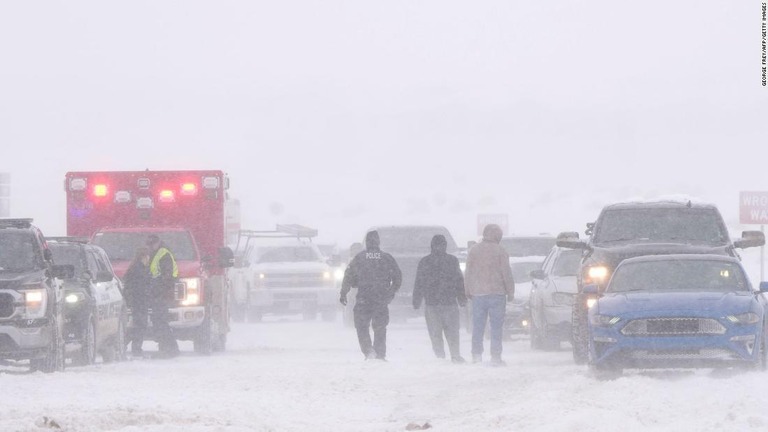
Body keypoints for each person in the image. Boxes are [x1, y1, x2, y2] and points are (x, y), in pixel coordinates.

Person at [340, 231, 402, 360]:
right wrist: (390, 293)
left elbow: (348, 276)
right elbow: (398, 277)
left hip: (364, 298)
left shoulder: (359, 258)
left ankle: (368, 352)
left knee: (361, 326)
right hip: (381, 299)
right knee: (380, 327)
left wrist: (343, 292)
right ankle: (380, 354)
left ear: (367, 242)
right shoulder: (386, 257)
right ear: (378, 242)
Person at [464, 224, 514, 366]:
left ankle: (476, 355)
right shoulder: (501, 251)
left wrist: (467, 289)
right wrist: (510, 291)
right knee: (496, 327)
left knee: (478, 326)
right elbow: (506, 273)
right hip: (497, 294)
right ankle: (496, 356)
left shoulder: (474, 250)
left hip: (478, 294)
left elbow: (468, 272)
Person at [413, 234, 467, 363]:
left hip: (432, 303)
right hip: (449, 302)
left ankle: (440, 357)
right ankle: (454, 355)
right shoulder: (452, 260)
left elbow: (419, 282)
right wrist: (461, 297)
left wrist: (417, 300)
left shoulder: (425, 261)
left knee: (435, 332)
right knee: (452, 331)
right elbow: (459, 281)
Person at [147, 235, 180, 358]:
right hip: (159, 293)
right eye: (149, 245)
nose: (150, 247)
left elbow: (167, 276)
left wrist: (158, 288)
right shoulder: (157, 253)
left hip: (162, 294)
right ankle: (166, 347)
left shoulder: (163, 254)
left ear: (158, 243)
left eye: (152, 244)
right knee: (159, 322)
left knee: (161, 322)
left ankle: (169, 348)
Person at [123, 246, 151, 357]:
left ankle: (126, 344)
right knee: (140, 325)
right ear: (143, 257)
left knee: (139, 325)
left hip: (137, 301)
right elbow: (138, 286)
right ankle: (134, 347)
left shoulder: (136, 267)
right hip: (139, 301)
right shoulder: (138, 269)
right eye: (147, 256)